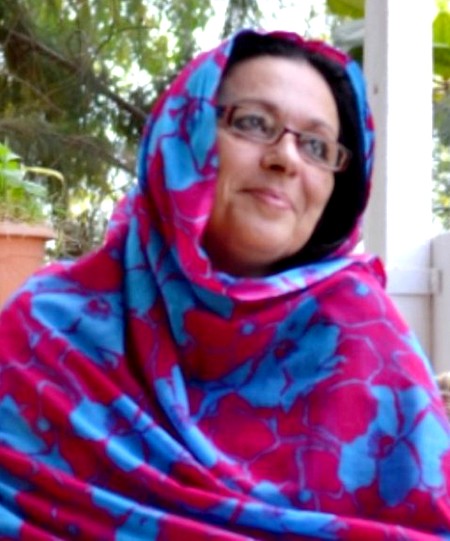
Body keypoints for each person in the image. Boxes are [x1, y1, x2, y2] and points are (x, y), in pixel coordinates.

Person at [0, 28, 449, 541]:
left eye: (316, 146)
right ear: (183, 133)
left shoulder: (367, 344)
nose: (286, 158)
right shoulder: (48, 334)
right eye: (254, 123)